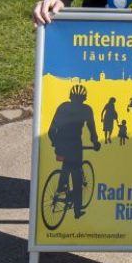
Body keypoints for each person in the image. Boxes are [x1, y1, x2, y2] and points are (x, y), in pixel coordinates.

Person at [47, 84, 100, 217]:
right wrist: (95, 142)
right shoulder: (86, 110)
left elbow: (52, 128)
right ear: (84, 98)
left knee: (67, 164)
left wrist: (54, 142)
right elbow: (92, 129)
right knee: (77, 176)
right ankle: (77, 210)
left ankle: (61, 187)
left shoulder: (63, 107)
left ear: (70, 96)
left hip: (60, 143)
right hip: (75, 144)